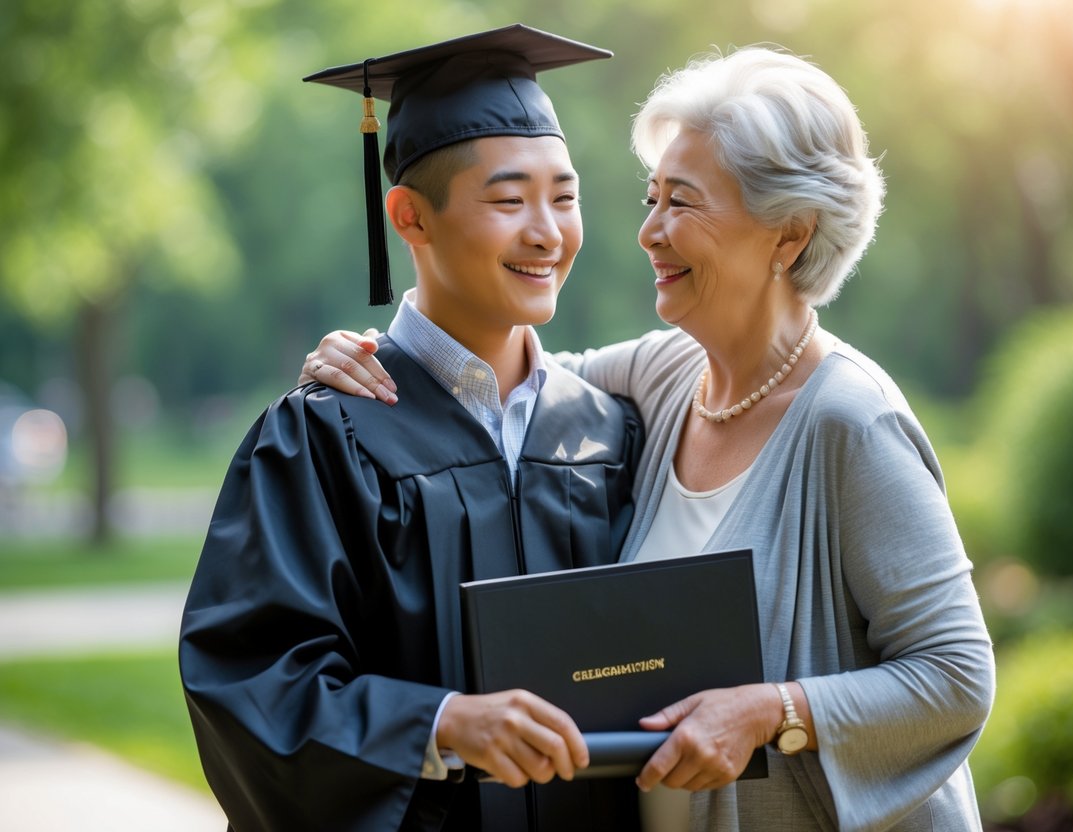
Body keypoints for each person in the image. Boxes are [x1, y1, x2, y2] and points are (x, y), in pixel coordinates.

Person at [301, 45, 996, 831]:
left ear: (788, 235)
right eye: (650, 195)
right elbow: (499, 370)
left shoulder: (848, 421)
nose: (647, 232)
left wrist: (772, 712)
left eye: (683, 203)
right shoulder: (664, 377)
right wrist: (360, 356)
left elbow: (957, 674)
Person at [179, 25, 646, 832]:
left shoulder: (607, 429)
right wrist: (438, 726)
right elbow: (253, 679)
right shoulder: (324, 437)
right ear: (409, 218)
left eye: (564, 197)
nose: (546, 231)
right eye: (508, 200)